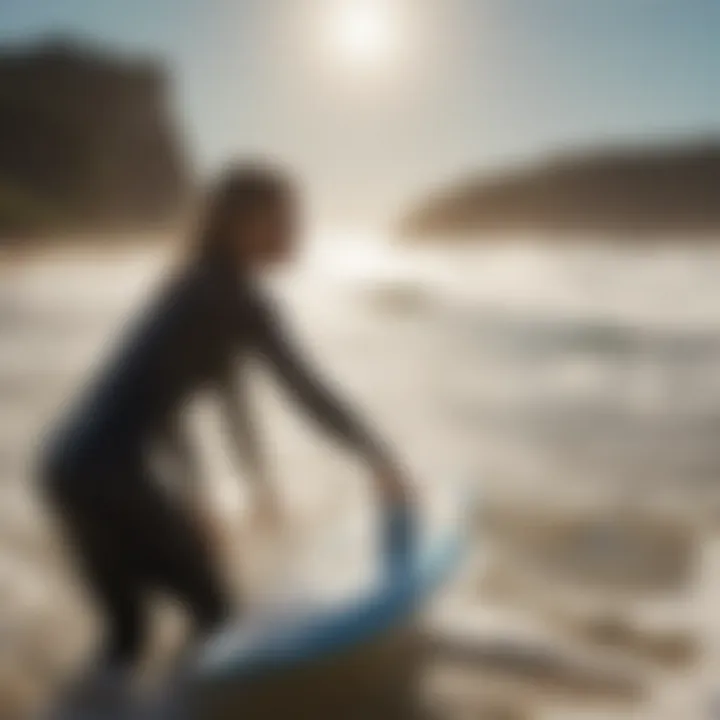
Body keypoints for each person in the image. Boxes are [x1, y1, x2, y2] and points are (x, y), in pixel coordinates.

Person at [41, 162, 413, 688]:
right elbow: (307, 390)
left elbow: (210, 405)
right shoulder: (234, 299)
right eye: (287, 219)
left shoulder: (195, 287)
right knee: (217, 626)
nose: (300, 233)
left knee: (125, 639)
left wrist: (222, 493)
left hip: (65, 470)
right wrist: (381, 458)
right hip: (111, 476)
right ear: (245, 224)